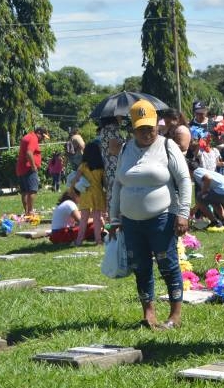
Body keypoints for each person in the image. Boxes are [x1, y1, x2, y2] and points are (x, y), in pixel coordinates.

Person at [110, 100, 192, 330]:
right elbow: (117, 184)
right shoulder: (126, 149)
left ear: (157, 125)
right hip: (131, 220)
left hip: (162, 218)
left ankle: (175, 314)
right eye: (141, 129)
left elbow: (184, 180)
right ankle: (148, 312)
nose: (147, 133)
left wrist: (183, 213)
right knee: (141, 266)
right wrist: (114, 218)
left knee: (168, 264)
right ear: (133, 129)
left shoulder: (167, 146)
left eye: (150, 128)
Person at [72, 140, 106, 245]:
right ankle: (98, 240)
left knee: (84, 219)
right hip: (98, 193)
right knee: (97, 218)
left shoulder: (83, 166)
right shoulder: (101, 166)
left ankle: (79, 240)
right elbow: (104, 182)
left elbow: (76, 179)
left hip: (86, 193)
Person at [16, 126, 48, 216]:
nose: (43, 139)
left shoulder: (27, 136)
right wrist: (34, 166)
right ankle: (30, 212)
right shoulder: (33, 138)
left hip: (21, 168)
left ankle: (26, 211)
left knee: (24, 191)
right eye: (43, 136)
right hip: (28, 168)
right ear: (38, 132)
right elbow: (29, 153)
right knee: (32, 190)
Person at [96, 116, 125, 210]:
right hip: (115, 166)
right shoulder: (112, 129)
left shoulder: (104, 129)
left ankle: (111, 220)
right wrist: (127, 143)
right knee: (117, 193)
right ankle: (117, 219)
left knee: (111, 193)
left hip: (108, 166)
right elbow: (114, 150)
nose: (122, 117)